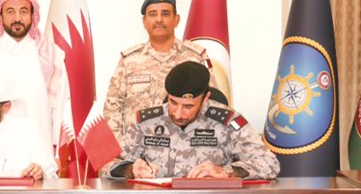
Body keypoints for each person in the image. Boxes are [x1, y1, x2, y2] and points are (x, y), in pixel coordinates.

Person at [103, 62, 278, 180]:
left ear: (206, 98)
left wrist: (226, 172)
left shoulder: (228, 122)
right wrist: (131, 169)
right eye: (173, 103)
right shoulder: (146, 122)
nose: (178, 114)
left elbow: (270, 164)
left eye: (188, 106)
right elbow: (107, 165)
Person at [103, 0, 219, 145]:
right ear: (144, 21)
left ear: (176, 20)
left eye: (165, 14)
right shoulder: (129, 61)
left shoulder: (196, 57)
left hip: (184, 153)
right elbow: (112, 111)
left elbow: (212, 104)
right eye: (152, 14)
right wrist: (122, 152)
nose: (158, 19)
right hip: (137, 153)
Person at [0, 0, 71, 149]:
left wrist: (57, 152)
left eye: (23, 11)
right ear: (0, 16)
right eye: (10, 11)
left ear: (32, 15)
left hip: (39, 153)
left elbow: (61, 108)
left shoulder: (51, 54)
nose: (17, 18)